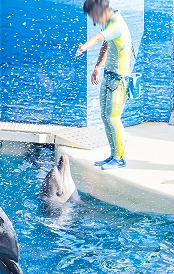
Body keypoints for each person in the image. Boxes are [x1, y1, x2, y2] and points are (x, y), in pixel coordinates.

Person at [76, 0, 133, 170]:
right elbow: (106, 44)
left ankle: (120, 158)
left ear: (99, 11)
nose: (94, 19)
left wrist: (84, 47)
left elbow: (98, 38)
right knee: (105, 116)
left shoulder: (116, 23)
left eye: (93, 15)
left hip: (119, 79)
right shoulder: (110, 22)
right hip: (109, 76)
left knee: (113, 118)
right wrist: (97, 68)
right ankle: (113, 155)